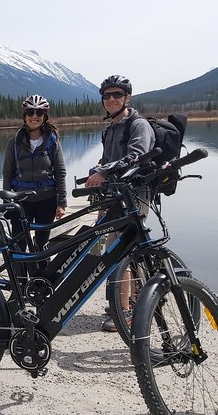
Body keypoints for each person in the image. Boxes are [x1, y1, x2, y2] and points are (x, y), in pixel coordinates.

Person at [85, 75, 155, 332]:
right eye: (107, 96)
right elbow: (108, 159)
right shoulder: (111, 128)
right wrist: (95, 172)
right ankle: (128, 302)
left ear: (128, 97)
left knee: (121, 251)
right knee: (113, 250)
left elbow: (136, 157)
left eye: (117, 94)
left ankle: (125, 312)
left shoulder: (138, 125)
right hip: (114, 197)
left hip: (134, 197)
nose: (112, 99)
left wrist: (103, 172)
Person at [2, 94, 67, 252]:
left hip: (47, 199)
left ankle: (40, 275)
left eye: (39, 113)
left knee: (41, 243)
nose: (34, 116)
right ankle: (20, 276)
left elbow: (60, 171)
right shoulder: (14, 142)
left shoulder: (52, 140)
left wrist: (62, 202)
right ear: (25, 116)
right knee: (19, 244)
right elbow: (7, 172)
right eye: (30, 112)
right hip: (21, 202)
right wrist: (6, 201)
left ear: (45, 116)